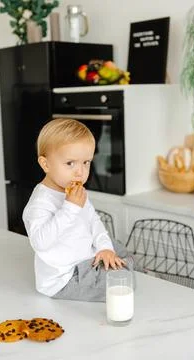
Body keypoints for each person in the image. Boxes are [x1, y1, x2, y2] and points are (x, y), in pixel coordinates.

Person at [23, 118, 132, 302]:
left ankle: (121, 262)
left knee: (114, 245)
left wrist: (105, 248)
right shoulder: (40, 202)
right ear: (46, 164)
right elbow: (40, 242)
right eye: (70, 163)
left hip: (85, 260)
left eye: (86, 162)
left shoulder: (75, 189)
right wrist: (70, 208)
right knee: (125, 281)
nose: (80, 172)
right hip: (65, 278)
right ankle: (131, 268)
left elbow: (93, 221)